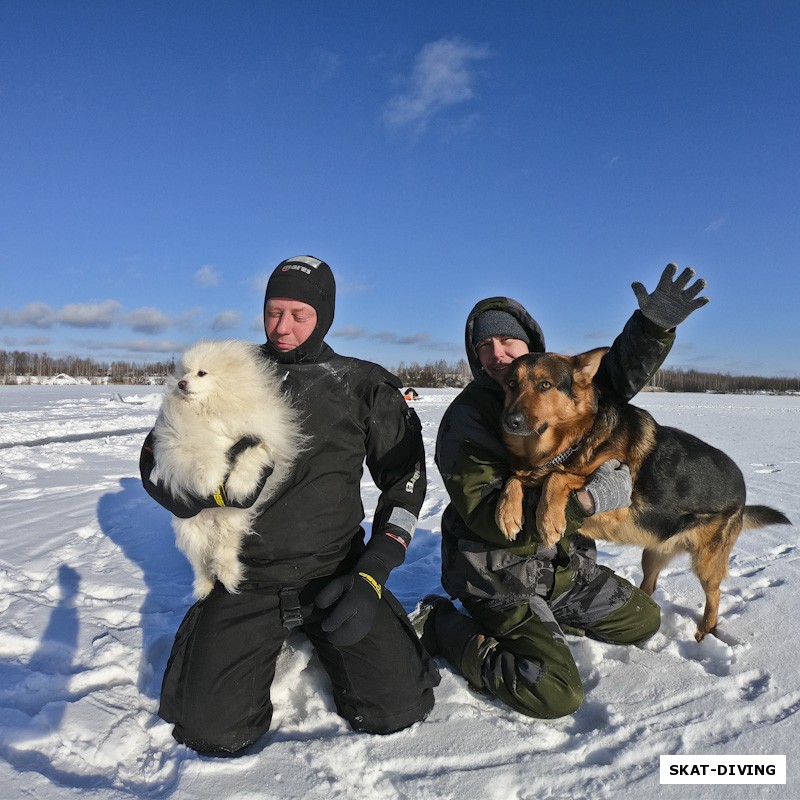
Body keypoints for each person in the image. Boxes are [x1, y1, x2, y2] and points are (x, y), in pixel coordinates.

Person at [140, 255, 439, 754]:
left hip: (335, 572)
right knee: (213, 732)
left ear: (325, 315)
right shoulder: (227, 370)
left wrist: (373, 574)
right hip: (246, 576)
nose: (283, 327)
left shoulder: (363, 385)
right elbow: (155, 462)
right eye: (273, 311)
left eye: (299, 314)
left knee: (397, 708)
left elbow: (405, 483)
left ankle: (419, 623)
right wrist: (212, 493)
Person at [417, 264, 708, 719]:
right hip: (496, 575)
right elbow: (489, 521)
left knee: (645, 620)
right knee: (555, 693)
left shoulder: (556, 387)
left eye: (508, 342)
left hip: (561, 567)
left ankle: (558, 611)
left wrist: (652, 328)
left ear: (530, 347)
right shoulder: (466, 419)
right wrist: (586, 500)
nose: (497, 354)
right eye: (484, 346)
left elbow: (608, 376)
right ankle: (442, 627)